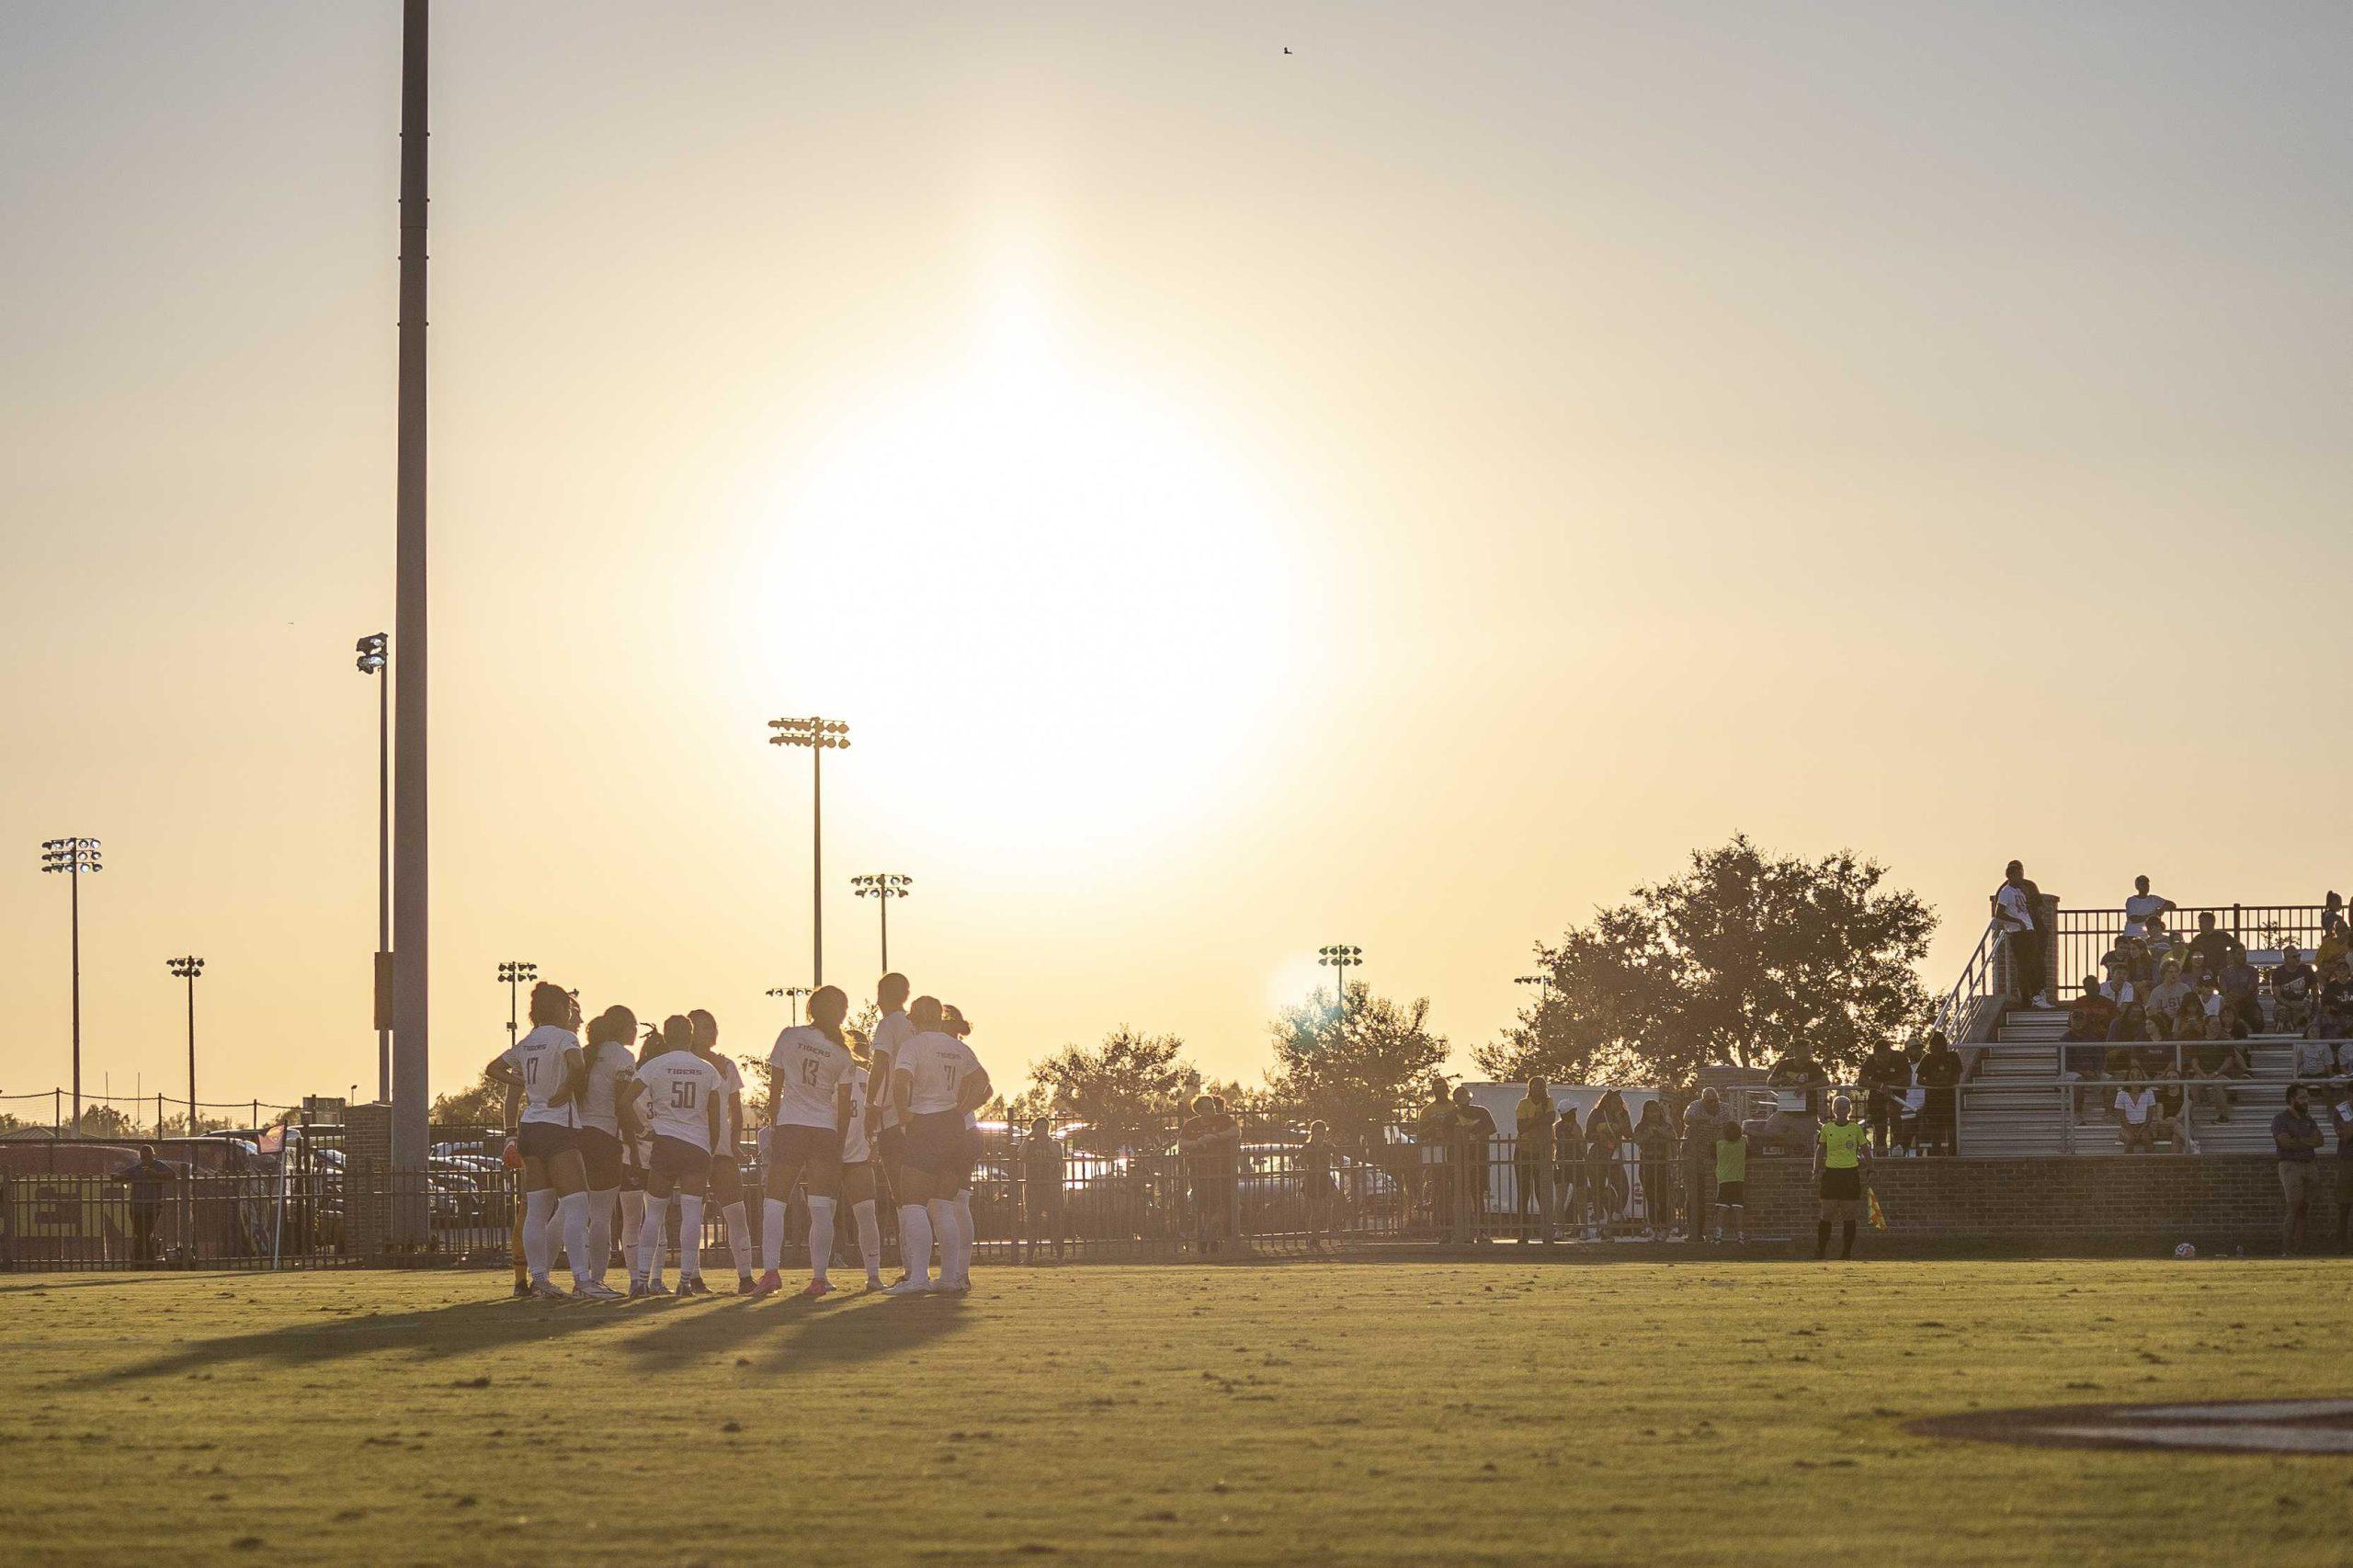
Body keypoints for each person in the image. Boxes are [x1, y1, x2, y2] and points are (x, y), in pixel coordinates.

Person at [483, 982, 597, 1301]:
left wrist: (522, 1080)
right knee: (577, 1204)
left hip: (530, 1127)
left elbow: (493, 1069)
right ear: (560, 1009)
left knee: (537, 1208)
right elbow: (578, 1066)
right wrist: (567, 1088)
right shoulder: (565, 1038)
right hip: (558, 1127)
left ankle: (539, 1281)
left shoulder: (528, 1042)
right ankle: (583, 1280)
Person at [752, 984, 856, 1299]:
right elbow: (845, 1107)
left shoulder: (790, 1035)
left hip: (792, 1127)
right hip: (824, 1131)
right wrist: (837, 1146)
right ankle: (819, 1278)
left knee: (774, 1202)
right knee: (821, 1208)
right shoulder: (842, 1053)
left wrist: (775, 1121)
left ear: (811, 1008)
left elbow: (775, 1090)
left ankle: (771, 1272)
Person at [888, 995, 992, 1295]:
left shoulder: (913, 1046)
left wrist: (904, 1113)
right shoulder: (958, 1047)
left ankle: (918, 1278)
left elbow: (901, 1080)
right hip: (954, 1127)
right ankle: (950, 1278)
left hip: (926, 1124)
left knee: (913, 1202)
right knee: (945, 1205)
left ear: (913, 1018)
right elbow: (984, 1082)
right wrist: (960, 1110)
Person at [623, 1015, 724, 1297]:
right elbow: (716, 1117)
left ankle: (642, 1281)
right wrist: (711, 1147)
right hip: (697, 1147)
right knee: (692, 1215)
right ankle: (685, 1281)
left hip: (666, 1144)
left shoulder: (654, 1066)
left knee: (654, 1213)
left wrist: (644, 1130)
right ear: (690, 1036)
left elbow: (624, 1102)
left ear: (666, 1037)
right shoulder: (707, 1070)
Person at [574, 1005, 641, 1294]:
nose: (636, 1031)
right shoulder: (622, 1056)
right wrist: (634, 1147)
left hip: (577, 1135)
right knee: (601, 1215)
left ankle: (539, 1278)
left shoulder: (588, 1054)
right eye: (633, 1024)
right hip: (603, 1137)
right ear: (623, 1026)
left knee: (568, 1213)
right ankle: (595, 1280)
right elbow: (622, 1104)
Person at [839, 1037, 886, 1290]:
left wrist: (875, 1143)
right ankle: (819, 1276)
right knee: (822, 1214)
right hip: (830, 1155)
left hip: (858, 1155)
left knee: (866, 1214)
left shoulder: (868, 1078)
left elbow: (875, 1114)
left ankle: (873, 1275)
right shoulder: (829, 1075)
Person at [1813, 1095, 1868, 1259]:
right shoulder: (1827, 1129)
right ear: (1833, 1110)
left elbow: (1865, 1150)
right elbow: (1820, 1150)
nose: (1841, 1111)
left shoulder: (1855, 1129)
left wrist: (1871, 1168)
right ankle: (1821, 1250)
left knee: (1849, 1214)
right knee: (1826, 1213)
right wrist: (1815, 1170)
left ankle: (1846, 1252)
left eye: (1844, 1108)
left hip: (1850, 1175)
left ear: (1849, 1110)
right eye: (1838, 1108)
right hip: (1831, 1174)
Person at [1992, 860, 2052, 1009]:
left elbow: (2034, 907)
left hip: (2030, 931)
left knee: (2035, 964)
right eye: (2019, 874)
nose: (2021, 877)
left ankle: (2036, 995)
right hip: (2019, 933)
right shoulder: (2006, 891)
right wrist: (2018, 922)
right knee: (2026, 965)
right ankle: (2033, 997)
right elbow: (1999, 913)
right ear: (2011, 875)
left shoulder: (2021, 890)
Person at [2273, 1083, 2325, 1256]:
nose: (2306, 1101)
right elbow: (2284, 1142)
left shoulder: (2309, 1119)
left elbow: (2319, 1141)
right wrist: (2306, 1141)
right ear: (2291, 1099)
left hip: (2309, 1165)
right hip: (2290, 1165)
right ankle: (2286, 1249)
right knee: (2294, 1207)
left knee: (2305, 1208)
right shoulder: (2281, 1119)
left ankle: (2299, 1248)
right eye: (2302, 1097)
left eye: (2307, 1097)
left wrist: (2298, 1140)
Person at [1449, 1085, 1498, 1244]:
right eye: (1460, 1097)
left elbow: (1492, 1128)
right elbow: (1445, 1134)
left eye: (1465, 1097)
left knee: (1478, 1196)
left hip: (1479, 1159)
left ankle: (1481, 1231)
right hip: (1458, 1161)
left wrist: (1477, 1135)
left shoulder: (1481, 1112)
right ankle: (1462, 1232)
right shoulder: (1451, 1116)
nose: (1464, 1100)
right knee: (1459, 1197)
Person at [112, 1144, 175, 1264]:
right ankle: (142, 1258)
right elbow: (116, 1177)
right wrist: (124, 1177)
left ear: (153, 1156)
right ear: (141, 1157)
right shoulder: (137, 1168)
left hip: (152, 1206)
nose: (145, 1158)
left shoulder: (159, 1166)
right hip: (136, 1207)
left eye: (148, 1156)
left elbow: (171, 1175)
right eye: (143, 1156)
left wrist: (155, 1174)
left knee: (145, 1232)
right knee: (139, 1233)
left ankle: (146, 1257)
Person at [1018, 1115, 1066, 1264]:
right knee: (1033, 1221)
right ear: (1033, 1129)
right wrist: (1028, 1139)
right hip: (1034, 1187)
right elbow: (1019, 1155)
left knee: (1055, 1221)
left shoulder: (1055, 1144)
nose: (1042, 1131)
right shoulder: (1029, 1145)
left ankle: (1060, 1256)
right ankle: (1029, 1256)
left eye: (1045, 1128)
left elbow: (1058, 1155)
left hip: (1052, 1187)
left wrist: (1048, 1141)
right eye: (1039, 1128)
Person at [1513, 1080, 1556, 1244]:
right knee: (1523, 1193)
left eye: (1542, 1086)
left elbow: (1551, 1118)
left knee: (1543, 1192)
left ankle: (1546, 1229)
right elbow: (1521, 1128)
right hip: (1523, 1150)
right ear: (1530, 1089)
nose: (1539, 1089)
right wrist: (1538, 1120)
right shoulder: (1523, 1104)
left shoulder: (1549, 1102)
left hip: (1542, 1152)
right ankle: (1523, 1232)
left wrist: (1532, 1121)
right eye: (1535, 1086)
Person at [1858, 1037, 1913, 1156]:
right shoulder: (1870, 1060)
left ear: (1889, 1052)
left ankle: (1898, 1145)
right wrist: (1879, 1086)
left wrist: (1890, 1086)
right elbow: (1861, 1080)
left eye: (1884, 1057)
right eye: (1879, 1058)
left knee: (1893, 1112)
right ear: (1875, 1055)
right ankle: (1881, 1148)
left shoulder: (1900, 1058)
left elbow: (1907, 1080)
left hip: (1896, 1095)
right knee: (1879, 1123)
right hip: (1877, 1096)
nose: (1881, 1061)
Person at [1681, 1088, 1722, 1235]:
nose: (1713, 1104)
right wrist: (1707, 1121)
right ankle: (1694, 1230)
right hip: (1693, 1157)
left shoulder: (1724, 1108)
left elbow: (1731, 1125)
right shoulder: (1695, 1105)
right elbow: (1688, 1118)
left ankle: (1708, 1230)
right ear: (1703, 1100)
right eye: (1709, 1101)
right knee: (1693, 1194)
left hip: (1713, 1157)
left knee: (1710, 1194)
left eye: (1715, 1100)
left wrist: (1706, 1123)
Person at [1633, 1099, 1676, 1240]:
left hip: (1662, 1165)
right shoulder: (1640, 1126)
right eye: (1650, 1111)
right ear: (1645, 1112)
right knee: (1651, 1198)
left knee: (1663, 1197)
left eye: (1656, 1110)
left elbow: (1672, 1136)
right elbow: (1638, 1139)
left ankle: (1664, 1227)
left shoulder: (1665, 1125)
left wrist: (1658, 1130)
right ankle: (1654, 1228)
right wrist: (1649, 1133)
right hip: (1647, 1166)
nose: (1653, 1114)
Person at [1916, 1031, 1962, 1155]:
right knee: (1936, 1129)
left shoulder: (1953, 1057)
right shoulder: (1927, 1058)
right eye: (1933, 1048)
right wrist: (1936, 1085)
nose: (1936, 1051)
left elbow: (1956, 1078)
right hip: (1933, 1100)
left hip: (1949, 1099)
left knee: (1951, 1127)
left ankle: (1953, 1153)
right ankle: (1937, 1155)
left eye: (1939, 1047)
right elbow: (1919, 1080)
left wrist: (1943, 1084)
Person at [1298, 1120, 1336, 1249]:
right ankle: (1314, 1237)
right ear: (1312, 1133)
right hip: (1312, 1179)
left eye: (1323, 1133)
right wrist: (1305, 1164)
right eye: (1318, 1133)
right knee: (1315, 1210)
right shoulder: (1307, 1147)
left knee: (1327, 1206)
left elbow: (1339, 1158)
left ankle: (1327, 1229)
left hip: (1325, 1178)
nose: (1320, 1136)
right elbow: (1299, 1162)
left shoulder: (1327, 1146)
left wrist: (1333, 1149)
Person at [2325, 1080, 2353, 1251]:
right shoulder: (2341, 1110)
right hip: (2347, 1161)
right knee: (2344, 1205)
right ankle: (2340, 1244)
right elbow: (2345, 1136)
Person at [1552, 1103, 1586, 1241]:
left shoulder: (1556, 1127)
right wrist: (1586, 1158)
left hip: (1561, 1163)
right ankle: (1584, 1229)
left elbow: (1554, 1145)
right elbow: (1582, 1145)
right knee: (1581, 1198)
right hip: (1577, 1163)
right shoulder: (1575, 1127)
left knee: (1560, 1198)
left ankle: (1558, 1229)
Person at [2185, 912, 2246, 984]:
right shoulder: (2198, 938)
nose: (2199, 925)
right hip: (2205, 972)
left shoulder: (2222, 936)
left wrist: (2230, 956)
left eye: (2202, 922)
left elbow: (2239, 946)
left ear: (2210, 923)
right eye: (2199, 922)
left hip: (2221, 971)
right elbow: (2189, 950)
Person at [1711, 1119, 1746, 1244]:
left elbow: (1711, 1151)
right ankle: (1741, 1236)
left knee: (1722, 1209)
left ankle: (1718, 1235)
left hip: (1724, 1180)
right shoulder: (1743, 1143)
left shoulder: (1719, 1145)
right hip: (1738, 1179)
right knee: (1738, 1209)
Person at [2272, 949, 2317, 1036]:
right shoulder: (2277, 973)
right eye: (2294, 956)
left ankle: (2290, 1023)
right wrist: (2291, 1004)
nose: (2298, 958)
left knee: (2304, 1009)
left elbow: (2315, 991)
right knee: (2281, 1011)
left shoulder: (2307, 969)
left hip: (2302, 1003)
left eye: (2299, 955)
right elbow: (2277, 997)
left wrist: (2313, 1009)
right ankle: (2287, 1023)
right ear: (2286, 959)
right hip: (2284, 1004)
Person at [2113, 1076, 2161, 1153]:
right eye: (2132, 1076)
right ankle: (2129, 1163)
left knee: (2146, 1138)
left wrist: (2140, 1131)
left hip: (2144, 1126)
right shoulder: (2121, 1094)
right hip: (2127, 1127)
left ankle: (2151, 1163)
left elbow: (2149, 1118)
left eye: (2138, 1076)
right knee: (2130, 1139)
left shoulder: (2149, 1093)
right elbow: (2122, 1118)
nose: (2135, 1079)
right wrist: (2132, 1131)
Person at [2122, 876, 2175, 941]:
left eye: (2147, 884)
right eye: (2143, 884)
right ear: (2137, 886)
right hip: (2131, 934)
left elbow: (2172, 905)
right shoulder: (2131, 901)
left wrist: (2162, 909)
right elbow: (2134, 919)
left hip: (2149, 936)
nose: (2145, 886)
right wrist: (2154, 915)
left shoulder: (2154, 899)